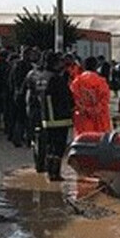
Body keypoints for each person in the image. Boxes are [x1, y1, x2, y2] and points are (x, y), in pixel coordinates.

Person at [29, 52, 75, 181]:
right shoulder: (56, 78)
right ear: (55, 63)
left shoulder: (40, 78)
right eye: (59, 61)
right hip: (60, 117)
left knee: (49, 146)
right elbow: (67, 97)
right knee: (58, 147)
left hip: (46, 117)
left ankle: (50, 172)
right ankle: (55, 173)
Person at [72, 57, 112, 136]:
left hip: (82, 119)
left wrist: (85, 109)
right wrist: (94, 110)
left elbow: (74, 99)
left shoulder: (77, 81)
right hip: (99, 121)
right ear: (96, 66)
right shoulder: (101, 82)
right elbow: (104, 100)